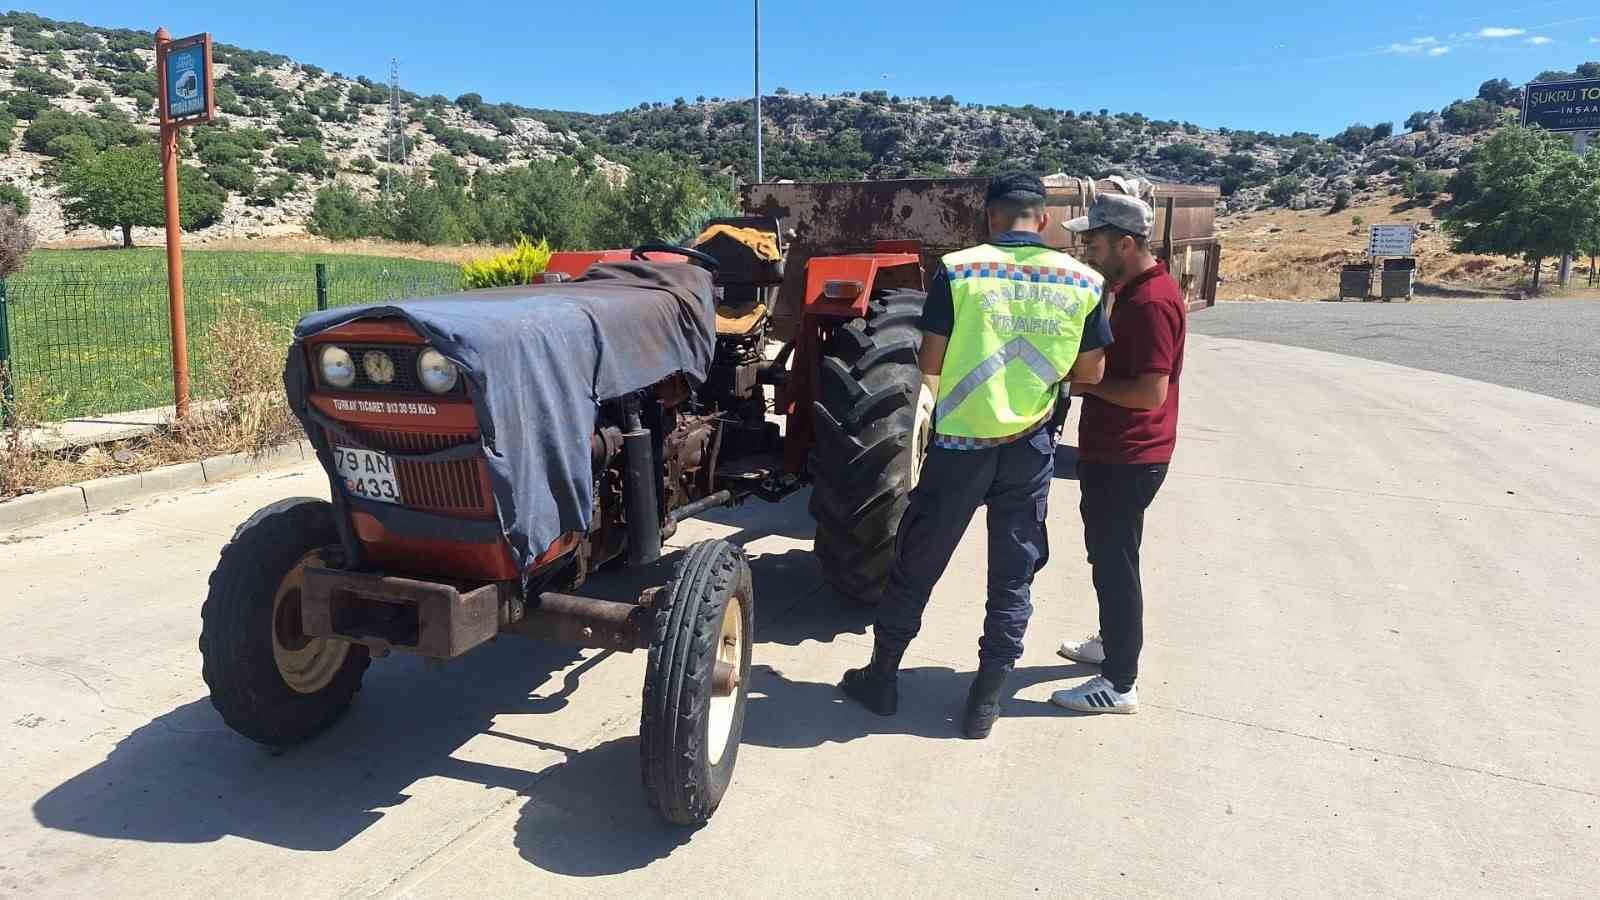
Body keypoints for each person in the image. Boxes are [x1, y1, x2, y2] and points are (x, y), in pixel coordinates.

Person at [839, 172, 1112, 739]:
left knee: (918, 560)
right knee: (1013, 574)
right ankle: (984, 702)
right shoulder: (1085, 281)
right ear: (1043, 219)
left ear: (990, 216)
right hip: (1032, 448)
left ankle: (883, 678)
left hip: (960, 444)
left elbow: (931, 361)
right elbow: (1089, 373)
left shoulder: (961, 270)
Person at [1049, 192, 1187, 716]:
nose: (1086, 251)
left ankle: (1120, 682)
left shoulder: (1151, 303)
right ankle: (1112, 643)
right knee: (1107, 556)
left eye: (1095, 242)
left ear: (1125, 244)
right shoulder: (1132, 290)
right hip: (1119, 452)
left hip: (1131, 456)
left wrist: (1084, 384)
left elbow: (1150, 392)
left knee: (1115, 564)